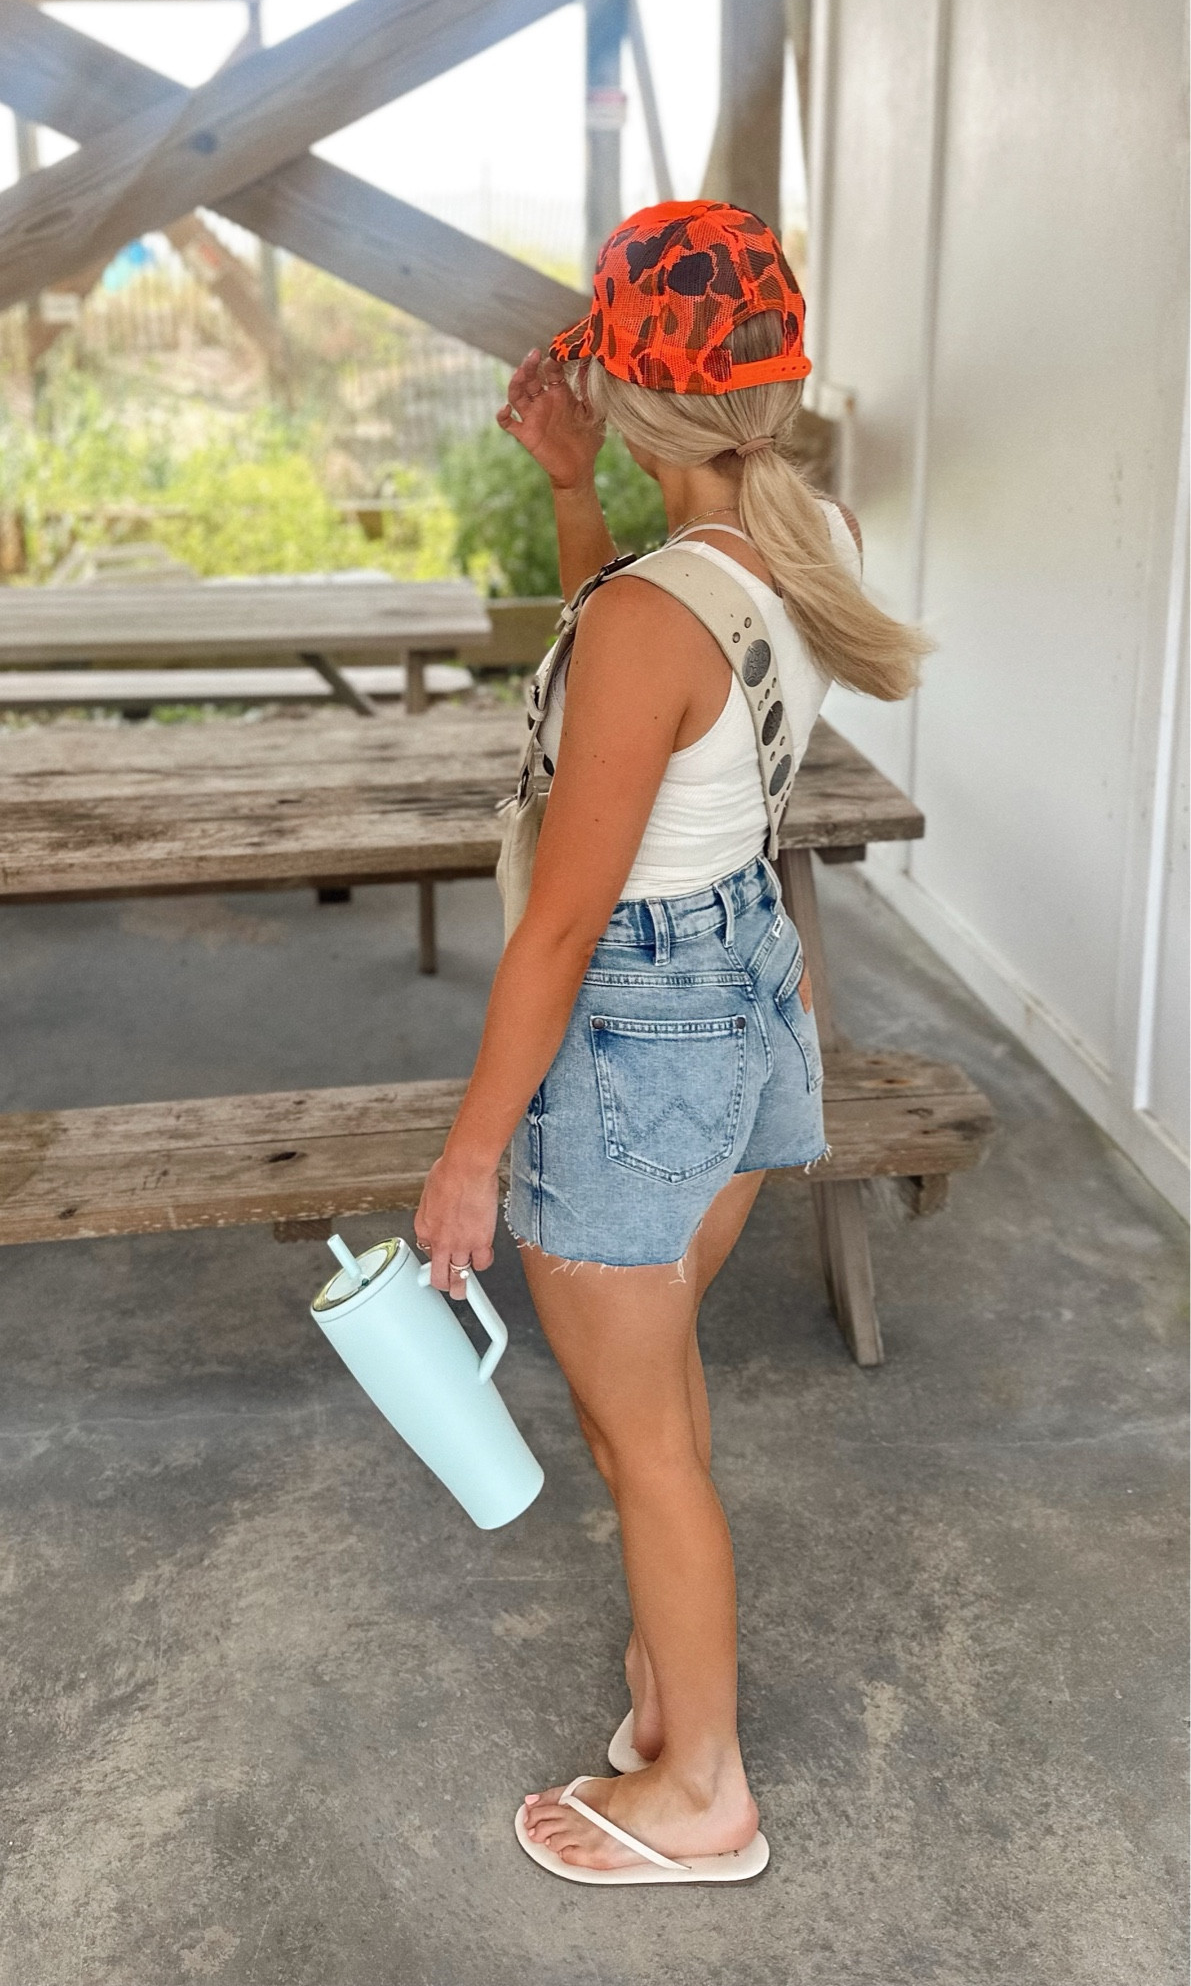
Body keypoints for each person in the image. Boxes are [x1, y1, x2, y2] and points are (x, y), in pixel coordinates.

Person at [412, 201, 928, 1886]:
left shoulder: (653, 615)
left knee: (650, 1448)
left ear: (631, 390)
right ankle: (670, 1675)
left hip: (634, 1035)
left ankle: (701, 1788)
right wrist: (578, 489)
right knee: (668, 1412)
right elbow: (652, 688)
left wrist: (471, 1158)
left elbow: (560, 925)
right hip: (745, 999)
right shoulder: (807, 537)